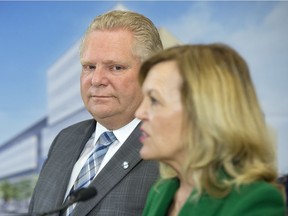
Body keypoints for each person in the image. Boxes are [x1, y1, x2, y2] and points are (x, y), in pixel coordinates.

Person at [29, 10, 163, 216]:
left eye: (116, 67)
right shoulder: (65, 139)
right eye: (89, 67)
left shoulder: (168, 152)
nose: (96, 79)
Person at [135, 44, 286, 216]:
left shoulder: (255, 201)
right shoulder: (161, 192)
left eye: (154, 100)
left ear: (203, 112)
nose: (139, 113)